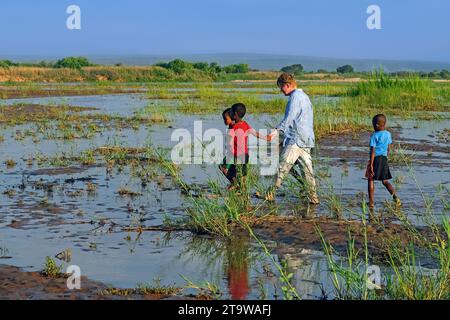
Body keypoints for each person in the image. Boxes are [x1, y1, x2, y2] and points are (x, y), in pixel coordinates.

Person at [264, 73, 319, 204]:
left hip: (296, 139)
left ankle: (269, 194)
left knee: (282, 168)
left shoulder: (295, 97)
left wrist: (276, 131)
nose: (280, 90)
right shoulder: (304, 96)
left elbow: (289, 118)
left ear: (287, 85)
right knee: (307, 172)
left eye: (281, 87)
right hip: (305, 139)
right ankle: (313, 198)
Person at [221, 103, 271, 189]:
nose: (230, 113)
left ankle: (235, 184)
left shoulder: (233, 128)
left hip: (236, 155)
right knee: (242, 175)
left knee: (223, 167)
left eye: (231, 112)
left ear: (235, 114)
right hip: (245, 155)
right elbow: (255, 133)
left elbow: (230, 144)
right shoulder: (245, 124)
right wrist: (266, 138)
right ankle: (242, 192)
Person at [365, 114, 401, 213]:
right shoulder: (388, 134)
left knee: (370, 179)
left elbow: (373, 151)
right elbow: (389, 148)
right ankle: (396, 198)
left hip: (375, 159)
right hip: (384, 159)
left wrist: (371, 164)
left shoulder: (374, 135)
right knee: (385, 181)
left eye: (373, 124)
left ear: (376, 125)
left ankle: (371, 203)